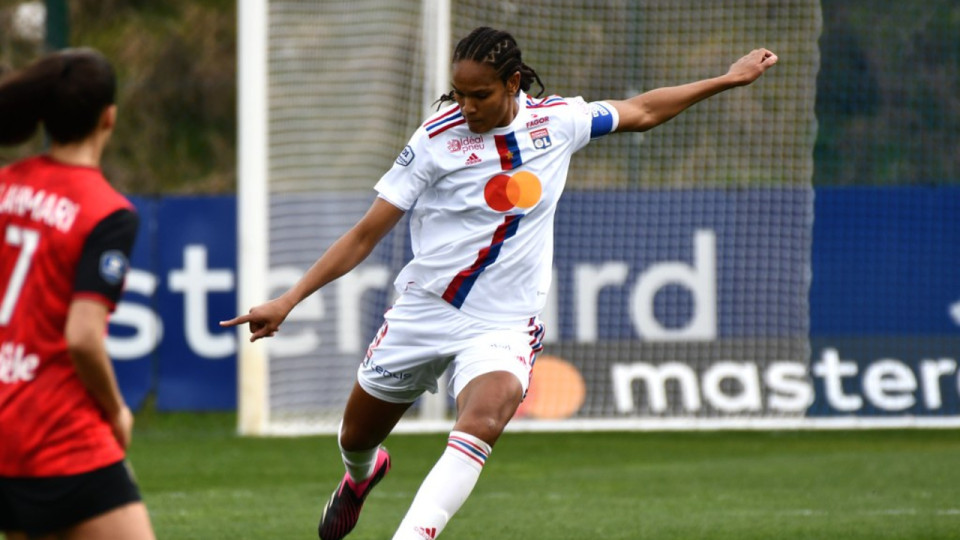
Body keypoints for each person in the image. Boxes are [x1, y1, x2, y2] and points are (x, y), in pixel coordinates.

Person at [221, 26, 777, 540]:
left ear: (513, 83)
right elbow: (366, 234)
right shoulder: (435, 140)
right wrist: (289, 299)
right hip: (425, 311)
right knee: (356, 437)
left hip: (503, 323)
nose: (465, 107)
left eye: (479, 95)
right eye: (458, 94)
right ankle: (360, 477)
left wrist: (727, 80)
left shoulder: (556, 121)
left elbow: (642, 110)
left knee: (484, 418)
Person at [0, 49, 155, 540]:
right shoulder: (107, 211)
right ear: (109, 117)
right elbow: (83, 337)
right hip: (57, 434)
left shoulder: (5, 185)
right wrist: (115, 411)